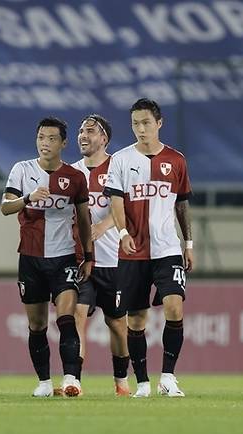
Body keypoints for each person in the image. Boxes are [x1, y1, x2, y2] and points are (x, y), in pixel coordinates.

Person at [103, 98, 194, 398]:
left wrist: (188, 243)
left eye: (145, 123)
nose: (140, 129)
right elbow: (116, 200)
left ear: (159, 123)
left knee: (174, 306)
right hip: (133, 251)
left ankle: (168, 377)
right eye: (135, 124)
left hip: (167, 248)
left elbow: (182, 203)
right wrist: (123, 232)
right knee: (136, 320)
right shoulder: (120, 159)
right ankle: (142, 382)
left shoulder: (176, 160)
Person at [1, 117, 94, 397]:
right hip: (30, 258)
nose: (45, 143)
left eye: (52, 138)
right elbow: (6, 207)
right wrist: (28, 198)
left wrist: (88, 255)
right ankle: (43, 382)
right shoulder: (22, 169)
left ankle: (71, 379)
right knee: (37, 324)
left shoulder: (75, 178)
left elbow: (84, 218)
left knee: (66, 317)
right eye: (41, 137)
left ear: (64, 143)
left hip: (64, 258)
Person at [64, 114, 130, 396]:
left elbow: (131, 205)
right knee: (77, 314)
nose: (83, 135)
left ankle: (121, 380)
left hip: (115, 262)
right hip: (82, 262)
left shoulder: (120, 167)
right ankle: (73, 380)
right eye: (80, 131)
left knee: (116, 325)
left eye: (90, 131)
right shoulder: (71, 172)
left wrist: (105, 224)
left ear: (104, 138)